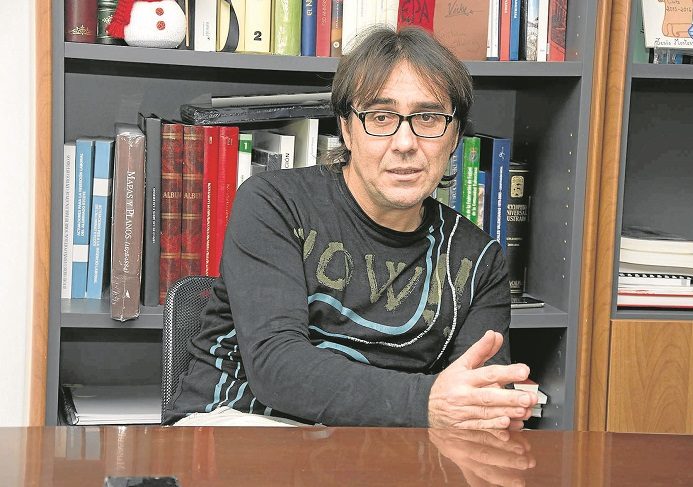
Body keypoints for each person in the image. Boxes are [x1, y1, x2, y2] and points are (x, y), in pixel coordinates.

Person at [164, 26, 538, 429]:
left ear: (455, 136)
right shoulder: (274, 203)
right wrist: (427, 401)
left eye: (428, 118)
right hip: (237, 424)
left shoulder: (479, 259)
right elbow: (276, 366)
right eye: (381, 117)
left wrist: (481, 410)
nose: (405, 143)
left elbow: (477, 400)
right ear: (346, 129)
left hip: (384, 441)